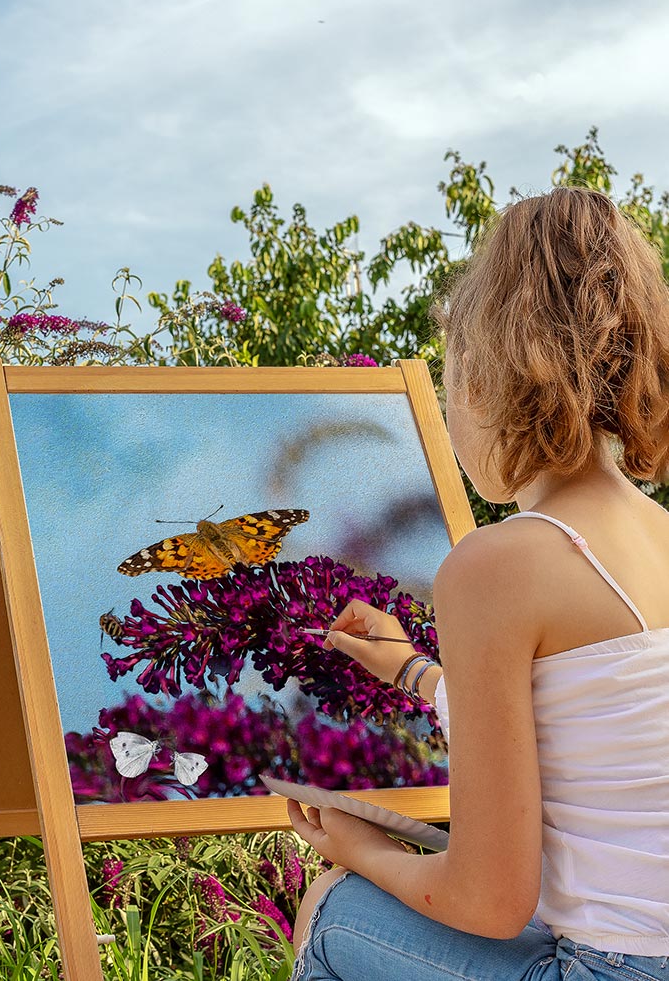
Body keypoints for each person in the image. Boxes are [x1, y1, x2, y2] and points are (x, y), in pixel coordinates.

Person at [282, 184, 669, 980]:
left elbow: (489, 898)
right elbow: (595, 732)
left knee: (330, 909)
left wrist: (363, 851)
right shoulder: (658, 537)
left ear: (490, 374)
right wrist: (416, 672)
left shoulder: (496, 563)